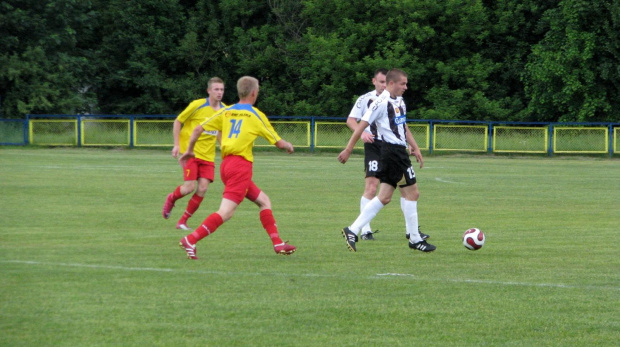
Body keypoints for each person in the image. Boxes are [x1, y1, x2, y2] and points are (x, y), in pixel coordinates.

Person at [178, 76, 297, 259]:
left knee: (264, 201)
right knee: (226, 212)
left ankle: (278, 243)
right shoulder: (255, 115)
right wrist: (289, 145)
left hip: (226, 165)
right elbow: (279, 143)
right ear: (254, 93)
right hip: (240, 167)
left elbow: (197, 129)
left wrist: (189, 151)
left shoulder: (227, 111)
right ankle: (191, 240)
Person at [337, 68, 436, 253]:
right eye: (402, 84)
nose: (406, 87)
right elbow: (361, 126)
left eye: (406, 83)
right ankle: (414, 239)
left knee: (384, 197)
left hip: (397, 152)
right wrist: (349, 149)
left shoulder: (399, 100)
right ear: (391, 83)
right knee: (412, 193)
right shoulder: (379, 103)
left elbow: (402, 126)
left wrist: (415, 146)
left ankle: (352, 230)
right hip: (393, 153)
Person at [162, 77, 226, 230]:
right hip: (190, 153)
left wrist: (225, 148)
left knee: (203, 188)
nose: (219, 92)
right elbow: (178, 121)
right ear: (208, 91)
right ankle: (171, 198)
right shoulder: (197, 105)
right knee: (189, 187)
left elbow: (219, 131)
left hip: (208, 155)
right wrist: (176, 145)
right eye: (216, 89)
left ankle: (182, 221)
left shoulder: (225, 110)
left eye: (222, 89)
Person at [346, 68, 387, 241]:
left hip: (391, 146)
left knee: (406, 187)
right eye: (381, 82)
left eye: (387, 82)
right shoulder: (364, 99)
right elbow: (350, 120)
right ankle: (365, 230)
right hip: (373, 146)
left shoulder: (394, 99)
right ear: (374, 81)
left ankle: (412, 233)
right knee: (371, 187)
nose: (384, 85)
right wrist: (361, 133)